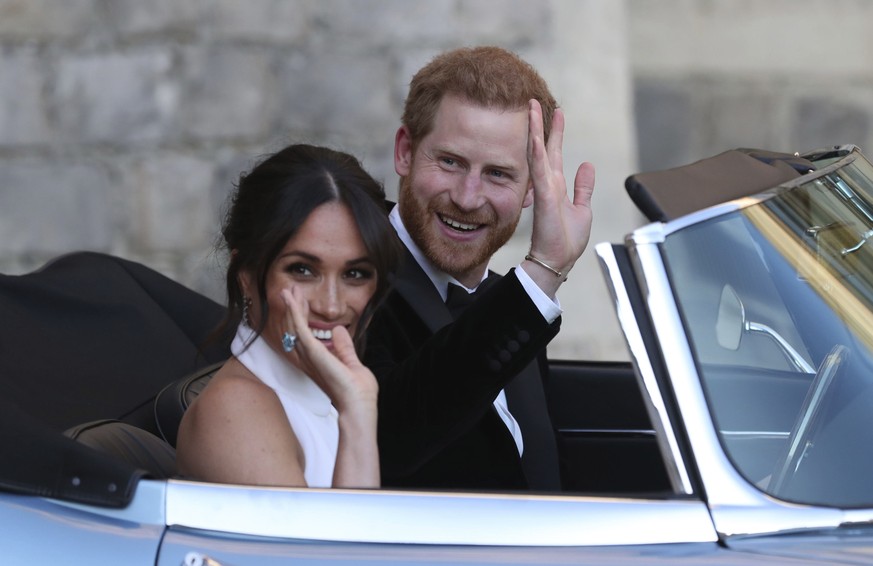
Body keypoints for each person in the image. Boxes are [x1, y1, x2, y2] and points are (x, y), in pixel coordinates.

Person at [364, 46, 595, 491]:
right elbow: (389, 441)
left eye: (498, 175)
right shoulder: (351, 279)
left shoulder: (508, 301)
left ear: (532, 189)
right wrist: (544, 270)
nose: (468, 198)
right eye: (450, 162)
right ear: (405, 152)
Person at [176, 143, 402, 488]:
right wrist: (357, 413)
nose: (330, 305)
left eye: (355, 274)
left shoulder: (320, 395)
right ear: (247, 277)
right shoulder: (236, 409)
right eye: (302, 270)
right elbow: (341, 545)